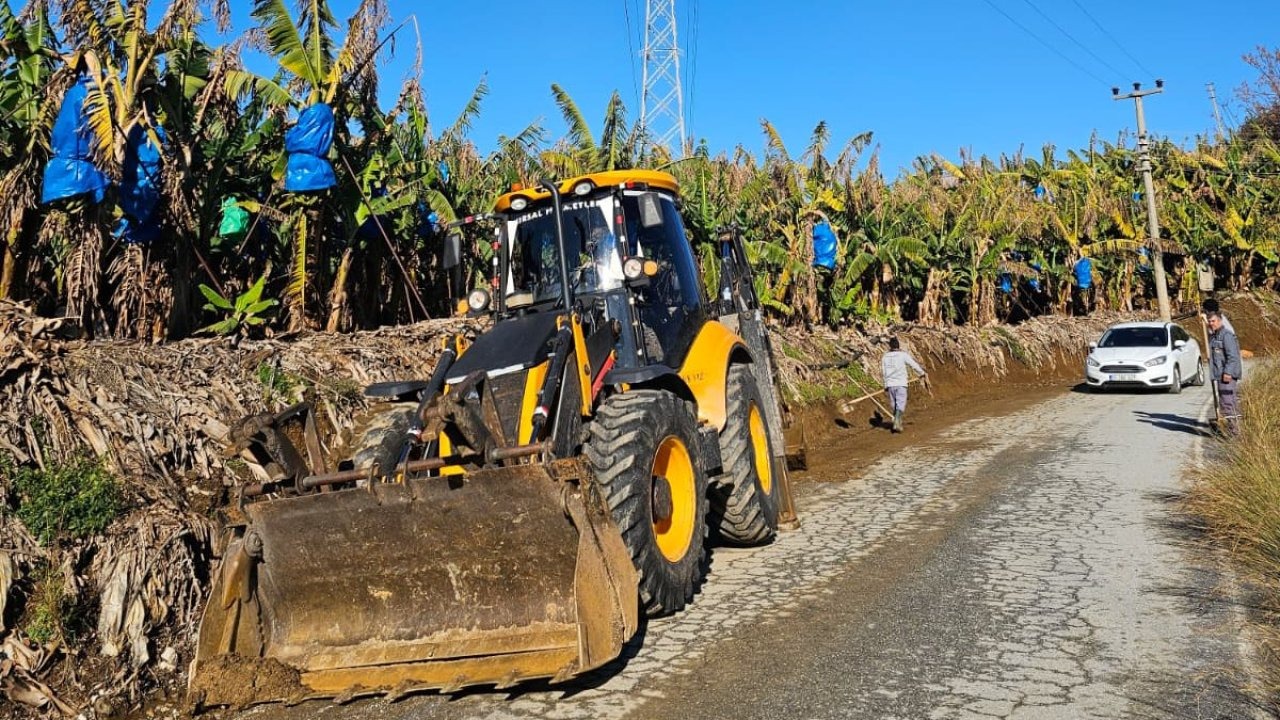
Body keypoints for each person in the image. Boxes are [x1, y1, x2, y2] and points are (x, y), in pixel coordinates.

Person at [1207, 310, 1243, 434]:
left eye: (1214, 321)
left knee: (1227, 402)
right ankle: (1233, 430)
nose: (1211, 323)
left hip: (1227, 376)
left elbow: (1232, 356)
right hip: (1219, 375)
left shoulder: (1226, 336)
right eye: (1209, 321)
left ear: (1220, 321)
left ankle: (1235, 433)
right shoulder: (1214, 336)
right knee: (1227, 401)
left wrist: (1227, 372)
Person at [881, 337, 927, 433]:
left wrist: (885, 384)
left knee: (894, 404)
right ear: (898, 345)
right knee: (900, 403)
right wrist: (922, 372)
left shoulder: (885, 357)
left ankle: (897, 422)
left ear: (890, 346)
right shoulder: (902, 355)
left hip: (890, 384)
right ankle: (897, 421)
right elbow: (913, 364)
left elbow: (884, 372)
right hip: (901, 383)